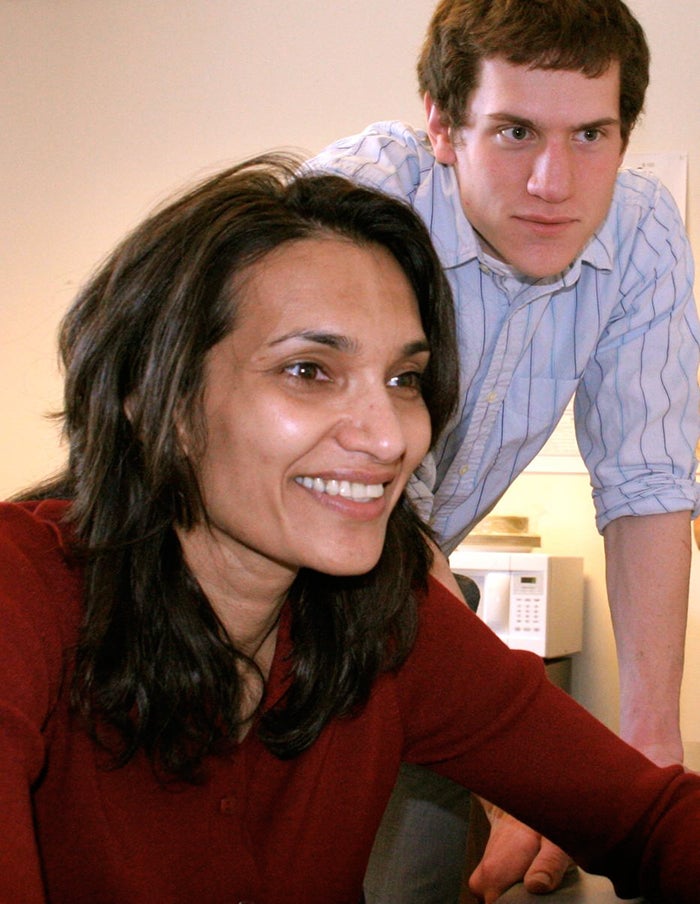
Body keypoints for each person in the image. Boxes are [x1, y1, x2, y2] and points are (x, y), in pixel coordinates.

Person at [2, 154, 700, 903]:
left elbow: (651, 818)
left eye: (403, 381)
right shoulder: (25, 592)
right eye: (309, 371)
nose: (390, 438)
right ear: (156, 400)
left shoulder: (387, 617)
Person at [310, 0, 700, 898]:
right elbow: (372, 490)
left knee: (421, 884)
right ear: (442, 125)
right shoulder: (365, 202)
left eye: (592, 134)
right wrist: (517, 761)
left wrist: (647, 766)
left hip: (415, 596)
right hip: (257, 603)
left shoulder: (641, 232)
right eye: (516, 131)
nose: (554, 182)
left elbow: (645, 481)